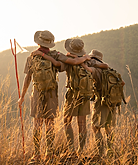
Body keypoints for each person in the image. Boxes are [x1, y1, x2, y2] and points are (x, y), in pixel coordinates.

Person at [18, 31, 90, 163]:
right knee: (49, 123)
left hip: (37, 92)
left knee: (37, 124)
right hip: (51, 93)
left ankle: (36, 154)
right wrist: (84, 58)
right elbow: (72, 62)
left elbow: (27, 78)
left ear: (38, 42)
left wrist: (22, 97)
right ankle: (49, 153)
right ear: (50, 43)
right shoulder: (56, 55)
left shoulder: (32, 57)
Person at [34, 38, 92, 156]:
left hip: (72, 95)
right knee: (82, 123)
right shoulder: (87, 61)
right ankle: (81, 150)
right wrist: (85, 58)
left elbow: (58, 65)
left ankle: (71, 149)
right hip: (84, 95)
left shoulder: (69, 60)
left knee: (67, 121)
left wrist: (43, 55)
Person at [81, 49, 123, 157]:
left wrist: (83, 60)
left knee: (96, 127)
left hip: (101, 102)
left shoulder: (96, 70)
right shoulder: (110, 70)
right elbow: (122, 83)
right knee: (108, 128)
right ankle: (110, 152)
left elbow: (86, 68)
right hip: (112, 102)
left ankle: (99, 154)